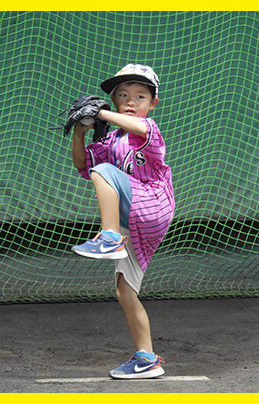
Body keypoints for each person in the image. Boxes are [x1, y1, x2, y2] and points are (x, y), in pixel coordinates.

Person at [70, 64, 175, 379]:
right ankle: (147, 359)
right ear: (114, 99)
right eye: (123, 95)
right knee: (124, 290)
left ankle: (109, 236)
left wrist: (100, 114)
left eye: (140, 96)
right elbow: (82, 164)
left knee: (104, 171)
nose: (131, 101)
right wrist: (80, 131)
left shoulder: (148, 129)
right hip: (136, 220)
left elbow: (138, 128)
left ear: (153, 103)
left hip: (153, 205)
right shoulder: (110, 140)